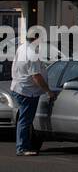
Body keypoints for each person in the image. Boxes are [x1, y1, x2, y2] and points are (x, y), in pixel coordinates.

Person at [11, 28, 52, 157]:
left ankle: (24, 145)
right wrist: (48, 91)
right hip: (27, 91)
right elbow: (36, 76)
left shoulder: (22, 48)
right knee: (25, 120)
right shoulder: (31, 53)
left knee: (24, 119)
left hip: (19, 87)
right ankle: (22, 147)